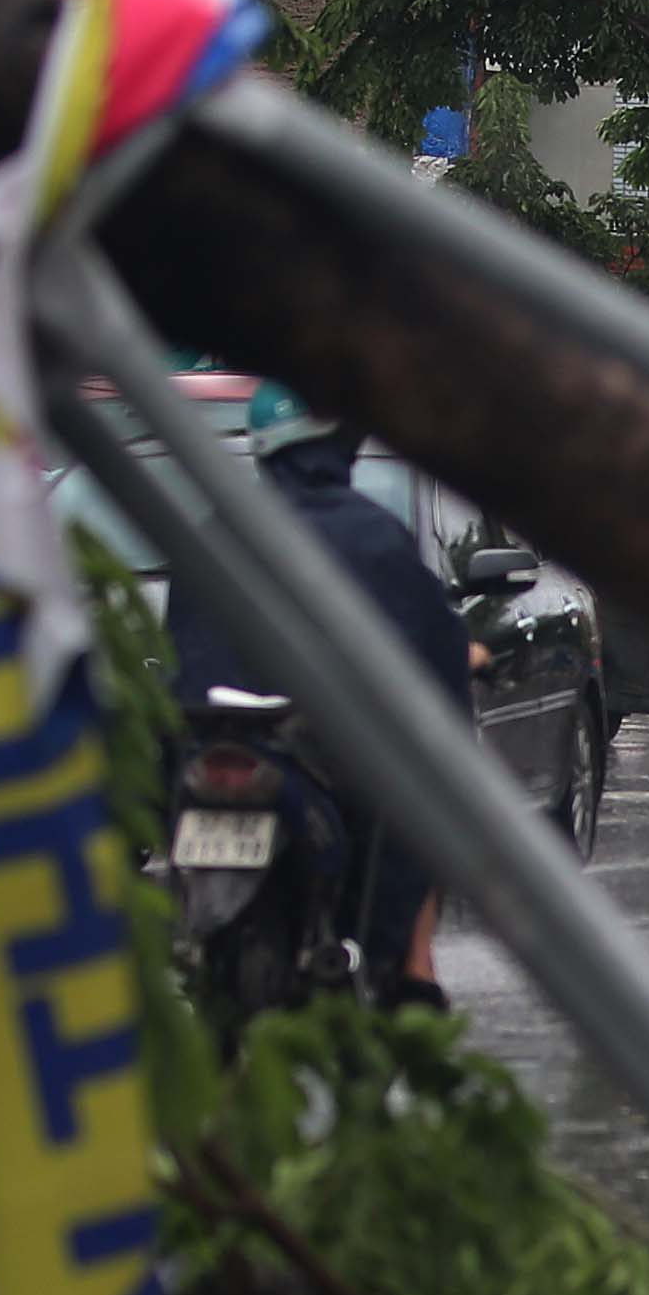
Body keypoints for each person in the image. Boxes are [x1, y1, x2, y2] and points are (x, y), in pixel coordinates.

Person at [164, 387, 483, 1008]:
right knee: (425, 799)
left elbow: (179, 654)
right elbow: (435, 657)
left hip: (207, 748)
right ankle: (414, 968)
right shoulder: (374, 538)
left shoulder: (213, 532)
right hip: (318, 755)